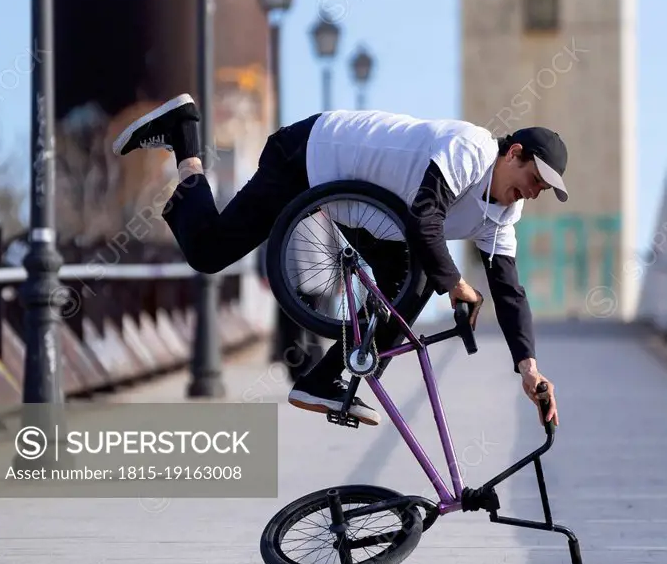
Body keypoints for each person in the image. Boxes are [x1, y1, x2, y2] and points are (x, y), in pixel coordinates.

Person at [112, 95, 567, 429]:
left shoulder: (505, 211)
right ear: (513, 154)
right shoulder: (471, 149)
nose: (533, 191)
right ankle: (184, 136)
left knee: (411, 283)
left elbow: (508, 288)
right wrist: (455, 284)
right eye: (533, 178)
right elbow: (427, 215)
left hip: (365, 212)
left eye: (542, 189)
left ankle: (325, 380)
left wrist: (527, 365)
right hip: (310, 154)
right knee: (209, 253)